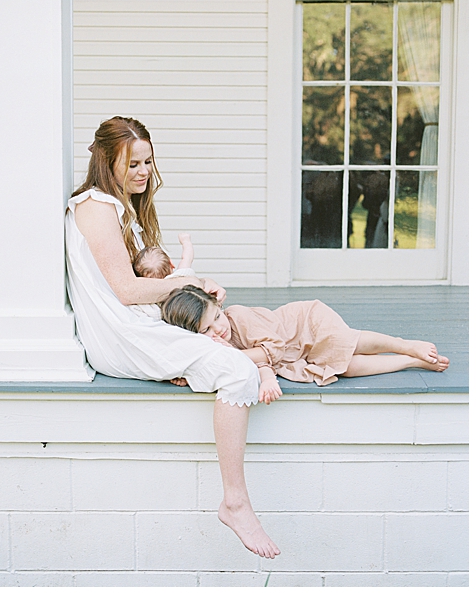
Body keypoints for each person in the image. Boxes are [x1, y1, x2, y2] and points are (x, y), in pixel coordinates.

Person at [65, 115, 279, 558]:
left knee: (226, 338)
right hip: (121, 335)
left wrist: (192, 289)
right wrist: (191, 283)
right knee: (238, 371)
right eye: (133, 164)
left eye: (148, 161)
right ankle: (234, 502)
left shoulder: (120, 207)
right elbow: (126, 292)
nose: (143, 172)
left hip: (137, 326)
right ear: (106, 162)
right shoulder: (95, 207)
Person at [160, 285, 450, 404]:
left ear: (218, 305)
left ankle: (404, 345)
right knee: (345, 368)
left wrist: (232, 355)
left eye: (216, 319)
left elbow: (269, 351)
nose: (218, 331)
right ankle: (412, 361)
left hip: (303, 324)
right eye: (206, 331)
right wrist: (189, 375)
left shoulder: (237, 317)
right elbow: (251, 363)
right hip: (295, 352)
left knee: (347, 342)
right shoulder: (211, 345)